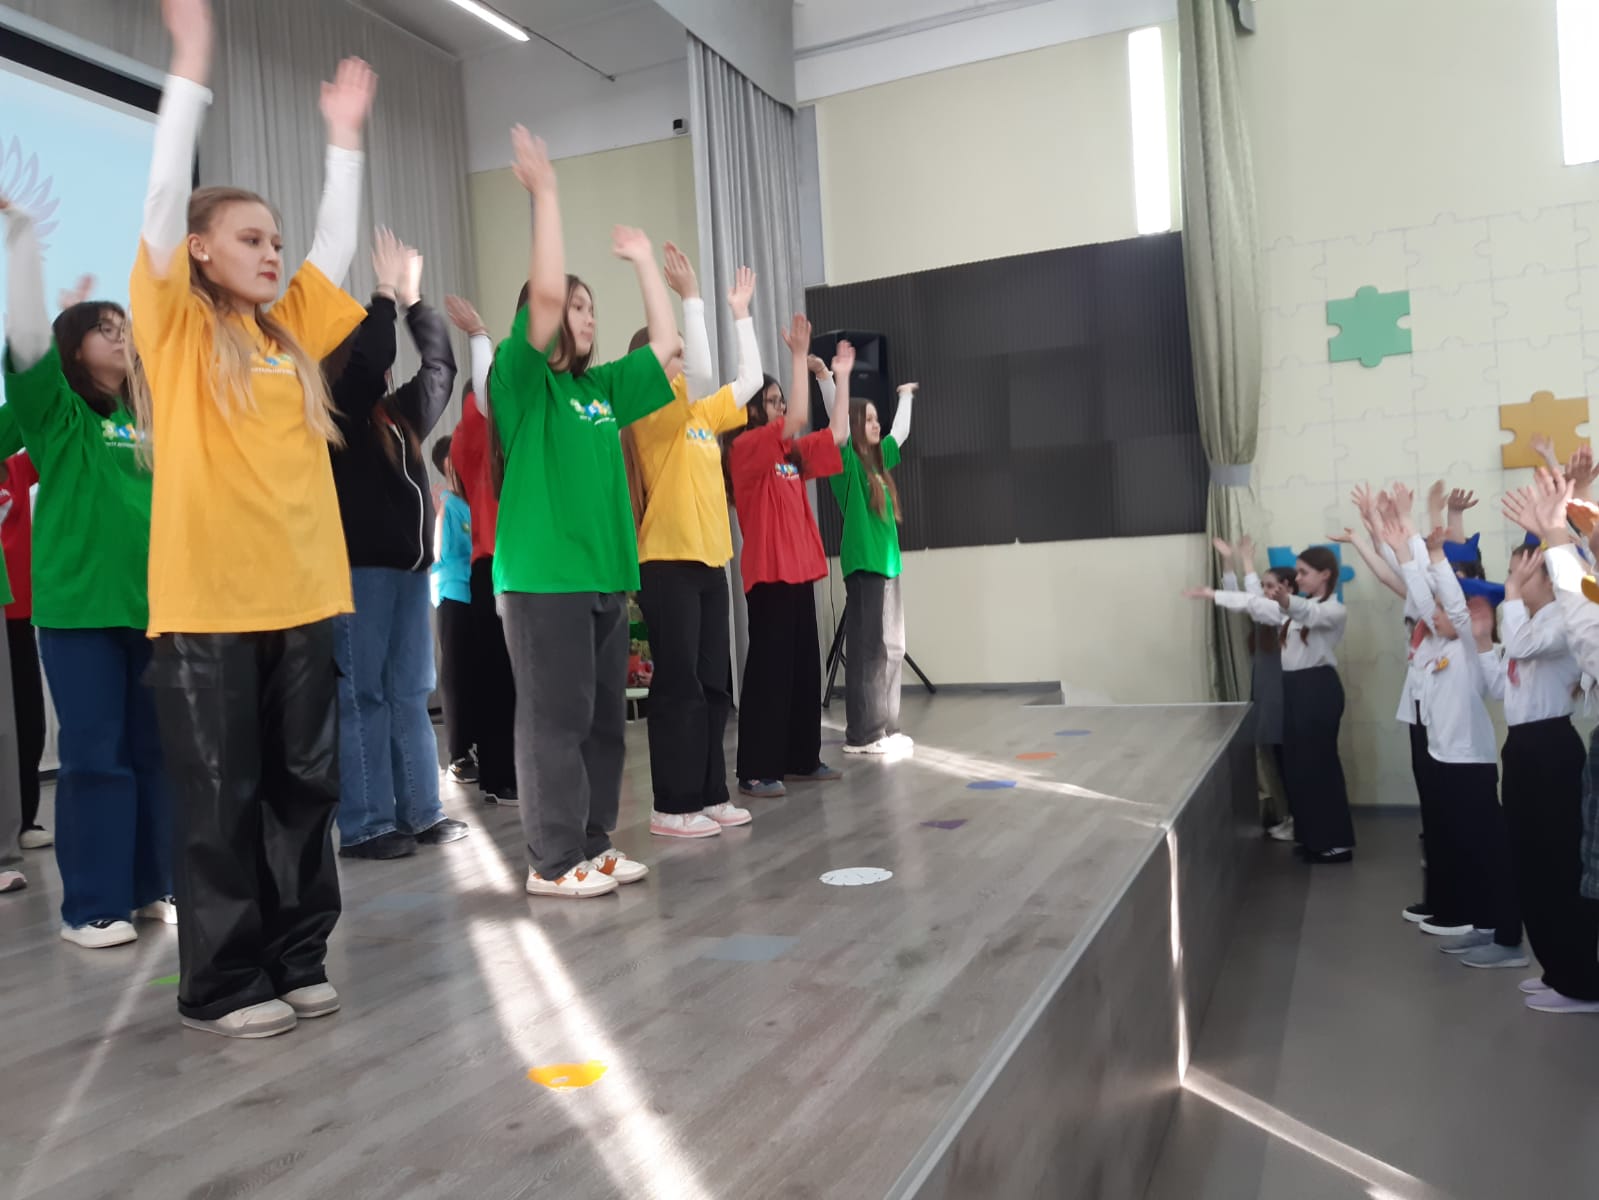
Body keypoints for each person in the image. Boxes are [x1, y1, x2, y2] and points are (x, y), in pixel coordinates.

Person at [131, 0, 375, 1037]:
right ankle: (224, 982)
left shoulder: (289, 336)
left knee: (303, 789)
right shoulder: (177, 328)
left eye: (274, 239)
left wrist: (344, 139)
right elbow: (158, 200)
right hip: (209, 606)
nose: (272, 252)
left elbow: (335, 241)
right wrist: (190, 64)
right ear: (198, 250)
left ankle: (295, 955)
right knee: (221, 795)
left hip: (304, 596)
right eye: (249, 238)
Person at [488, 127, 680, 899]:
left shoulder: (598, 390)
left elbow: (664, 347)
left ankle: (593, 845)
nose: (586, 316)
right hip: (545, 576)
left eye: (591, 306)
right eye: (576, 305)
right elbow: (541, 296)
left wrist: (644, 265)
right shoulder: (520, 381)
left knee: (603, 723)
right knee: (554, 721)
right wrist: (546, 195)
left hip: (604, 573)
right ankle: (552, 858)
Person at [1, 201, 174, 942]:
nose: (122, 337)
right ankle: (92, 906)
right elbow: (26, 344)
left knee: (153, 754)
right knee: (95, 756)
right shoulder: (59, 418)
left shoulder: (144, 421)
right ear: (73, 351)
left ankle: (149, 886)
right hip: (78, 613)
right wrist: (23, 246)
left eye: (124, 328)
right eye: (106, 329)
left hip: (152, 610)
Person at [326, 228, 466, 860]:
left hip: (409, 572)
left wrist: (413, 303)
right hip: (359, 572)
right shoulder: (335, 410)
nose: (383, 362)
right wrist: (382, 293)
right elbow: (364, 365)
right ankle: (367, 824)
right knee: (364, 696)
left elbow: (441, 370)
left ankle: (420, 811)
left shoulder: (396, 416)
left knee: (409, 692)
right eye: (369, 350)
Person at [624, 245, 764, 838]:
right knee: (677, 686)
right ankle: (671, 805)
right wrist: (691, 299)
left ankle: (709, 794)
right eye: (675, 352)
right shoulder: (651, 410)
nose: (685, 361)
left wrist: (741, 314)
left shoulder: (703, 414)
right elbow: (703, 372)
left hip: (710, 561)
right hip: (667, 561)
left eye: (683, 351)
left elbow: (751, 381)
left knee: (712, 685)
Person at [1379, 500, 1522, 959]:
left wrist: (1434, 555)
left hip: (1470, 762)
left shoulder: (1468, 643)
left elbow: (1452, 608)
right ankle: (1483, 923)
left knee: (1487, 850)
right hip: (1446, 758)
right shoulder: (1441, 643)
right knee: (1465, 847)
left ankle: (1506, 935)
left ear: (1472, 614)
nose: (1431, 613)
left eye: (1441, 608)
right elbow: (1427, 600)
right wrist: (1404, 551)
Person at [729, 317, 852, 799]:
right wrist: (800, 356)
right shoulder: (746, 448)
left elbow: (837, 433)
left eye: (781, 400)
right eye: (772, 401)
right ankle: (756, 768)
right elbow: (799, 418)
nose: (781, 407)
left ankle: (801, 757)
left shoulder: (790, 455)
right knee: (770, 671)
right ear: (753, 409)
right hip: (769, 574)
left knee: (804, 668)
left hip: (800, 571)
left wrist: (836, 377)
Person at [1185, 545, 1355, 862]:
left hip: (1317, 689)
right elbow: (1254, 604)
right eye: (1297, 571)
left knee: (1319, 766)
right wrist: (1213, 594)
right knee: (1297, 766)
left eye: (1304, 572)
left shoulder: (1333, 610)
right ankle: (1312, 837)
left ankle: (1337, 843)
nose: (1298, 577)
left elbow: (1308, 613)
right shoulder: (1289, 611)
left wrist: (1285, 599)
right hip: (1293, 688)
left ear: (1325, 575)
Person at [1501, 471, 1599, 1013]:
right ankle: (1558, 969)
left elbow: (1519, 643)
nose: (1515, 579)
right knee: (1531, 862)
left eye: (1524, 571)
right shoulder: (1539, 618)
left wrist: (1511, 596)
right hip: (1525, 749)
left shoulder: (1562, 617)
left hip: (1552, 751)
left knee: (1561, 866)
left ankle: (1580, 978)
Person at [815, 361, 917, 757]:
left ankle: (885, 728)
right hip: (864, 567)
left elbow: (900, 433)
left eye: (877, 418)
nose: (877, 425)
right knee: (868, 650)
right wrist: (827, 379)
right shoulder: (846, 463)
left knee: (892, 647)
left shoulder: (879, 461)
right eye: (869, 419)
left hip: (889, 567)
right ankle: (862, 734)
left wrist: (905, 396)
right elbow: (838, 422)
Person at [444, 293, 517, 805]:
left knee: (512, 676)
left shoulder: (495, 430)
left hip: (512, 563)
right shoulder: (474, 426)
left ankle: (508, 774)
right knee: (498, 677)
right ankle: (499, 776)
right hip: (490, 564)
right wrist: (479, 337)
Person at [1211, 537, 1291, 836]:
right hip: (1267, 691)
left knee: (1289, 760)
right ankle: (1290, 816)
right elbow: (1238, 599)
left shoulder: (1286, 614)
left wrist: (1246, 561)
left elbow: (1253, 600)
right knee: (1277, 759)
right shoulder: (1265, 616)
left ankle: (1298, 820)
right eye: (1265, 586)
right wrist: (1228, 560)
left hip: (1283, 695)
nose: (1266, 592)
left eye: (1272, 586)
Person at [0, 447, 47, 851]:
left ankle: (25, 819)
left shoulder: (17, 467)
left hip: (19, 614)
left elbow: (49, 439)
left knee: (30, 721)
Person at [431, 434, 476, 785]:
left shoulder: (470, 502)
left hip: (475, 594)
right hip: (453, 594)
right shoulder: (447, 504)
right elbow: (441, 555)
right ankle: (458, 756)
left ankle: (475, 745)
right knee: (456, 674)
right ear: (448, 464)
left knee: (475, 673)